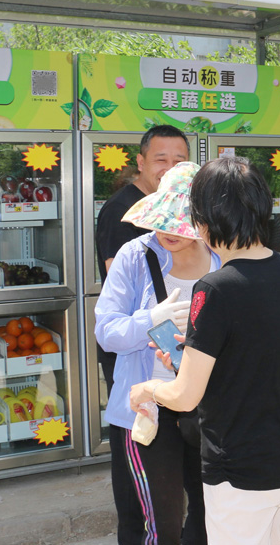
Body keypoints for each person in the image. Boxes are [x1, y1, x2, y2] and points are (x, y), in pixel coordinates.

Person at [129, 158, 280, 545]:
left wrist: (146, 390)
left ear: (203, 220)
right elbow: (255, 355)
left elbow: (185, 396)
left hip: (240, 466)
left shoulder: (214, 289)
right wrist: (192, 355)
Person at [95, 162, 216, 545]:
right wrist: (151, 319)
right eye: (163, 219)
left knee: (209, 515)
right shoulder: (135, 256)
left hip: (206, 408)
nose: (168, 231)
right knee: (160, 524)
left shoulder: (220, 258)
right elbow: (106, 331)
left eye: (180, 222)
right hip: (148, 411)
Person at [95, 125, 189, 393]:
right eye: (161, 160)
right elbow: (121, 285)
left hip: (175, 356)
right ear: (140, 162)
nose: (169, 170)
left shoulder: (183, 211)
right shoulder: (122, 211)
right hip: (135, 356)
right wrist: (155, 318)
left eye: (178, 162)